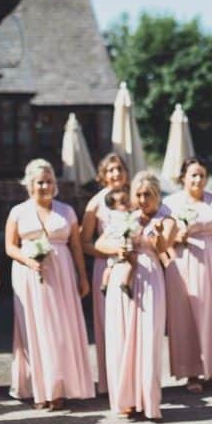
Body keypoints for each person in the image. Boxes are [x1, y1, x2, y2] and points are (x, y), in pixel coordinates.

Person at [6, 158, 95, 410]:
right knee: (35, 329)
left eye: (49, 181)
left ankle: (60, 388)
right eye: (39, 182)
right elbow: (10, 246)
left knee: (61, 329)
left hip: (62, 274)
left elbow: (76, 247)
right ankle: (40, 389)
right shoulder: (18, 212)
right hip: (29, 276)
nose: (44, 186)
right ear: (29, 184)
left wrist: (83, 276)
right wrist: (28, 261)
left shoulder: (66, 211)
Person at [162, 157, 212, 393]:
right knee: (188, 315)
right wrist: (180, 235)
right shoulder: (170, 203)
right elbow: (165, 239)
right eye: (193, 175)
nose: (198, 180)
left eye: (202, 175)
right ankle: (191, 372)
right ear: (183, 178)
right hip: (185, 261)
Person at [98, 171, 175, 419]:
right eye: (139, 195)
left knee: (148, 338)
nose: (143, 200)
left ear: (157, 196)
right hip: (123, 277)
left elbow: (164, 250)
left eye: (148, 195)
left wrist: (159, 235)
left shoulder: (167, 219)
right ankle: (127, 400)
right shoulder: (126, 218)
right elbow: (99, 244)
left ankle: (149, 400)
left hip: (150, 277)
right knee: (123, 338)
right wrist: (117, 248)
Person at [80, 153, 130, 395]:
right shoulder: (95, 204)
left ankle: (133, 378)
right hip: (106, 265)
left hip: (133, 265)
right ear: (103, 175)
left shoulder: (135, 197)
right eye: (110, 170)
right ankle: (110, 381)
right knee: (108, 325)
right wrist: (109, 251)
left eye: (119, 168)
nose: (116, 174)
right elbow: (84, 242)